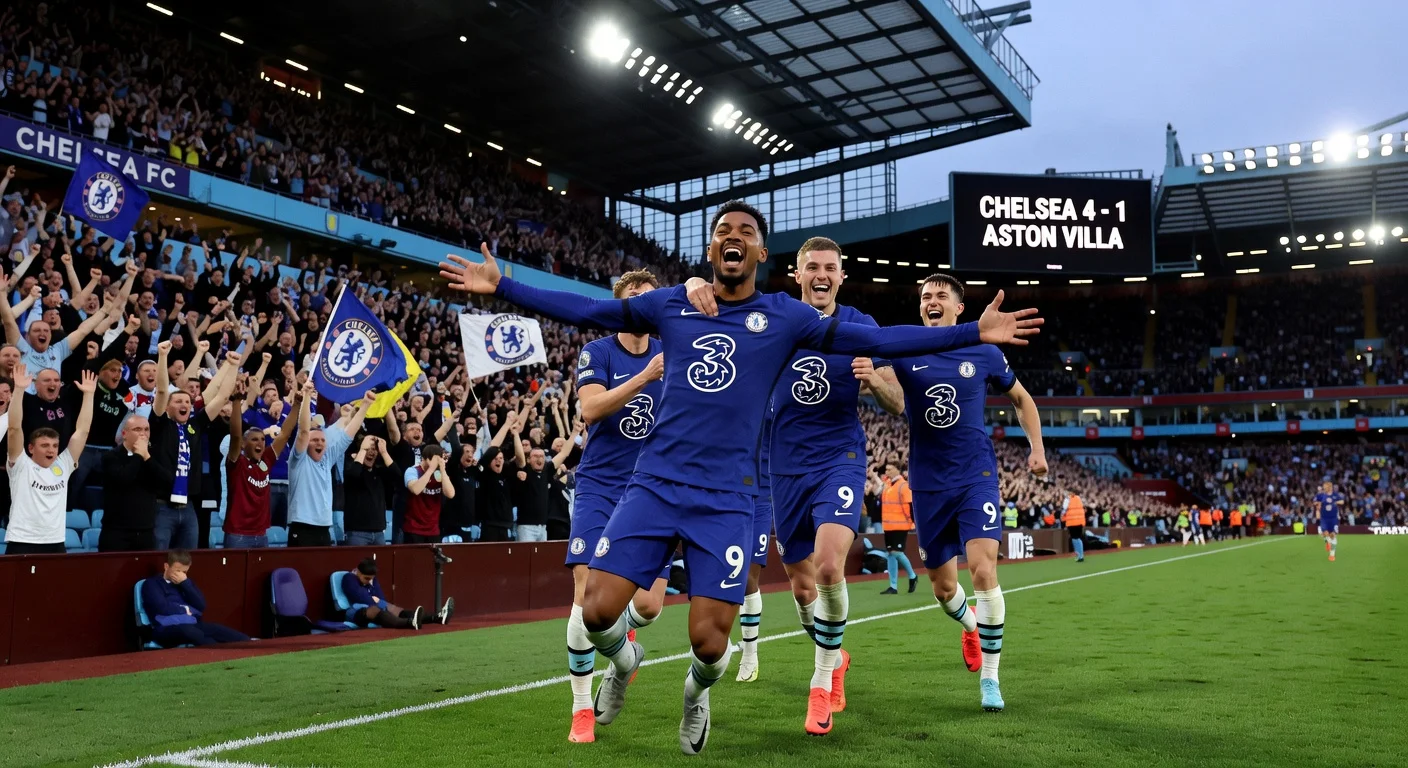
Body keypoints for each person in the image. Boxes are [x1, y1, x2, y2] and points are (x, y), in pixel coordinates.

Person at [439, 200, 1042, 754]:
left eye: (746, 233)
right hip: (655, 484)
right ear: (710, 251)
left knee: (709, 644)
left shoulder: (785, 318)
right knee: (596, 612)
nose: (734, 237)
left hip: (728, 496)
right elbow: (591, 309)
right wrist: (505, 287)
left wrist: (970, 333)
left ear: (761, 255)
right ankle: (624, 664)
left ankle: (696, 694)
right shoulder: (671, 302)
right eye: (723, 231)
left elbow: (879, 338)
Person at [685, 236, 903, 732]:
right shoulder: (776, 317)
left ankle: (821, 685)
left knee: (829, 568)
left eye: (831, 267)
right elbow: (716, 304)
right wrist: (696, 282)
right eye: (812, 268)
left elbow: (898, 404)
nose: (822, 275)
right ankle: (836, 656)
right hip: (781, 471)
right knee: (804, 591)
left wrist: (876, 381)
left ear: (841, 276)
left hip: (839, 460)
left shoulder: (861, 326)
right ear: (799, 275)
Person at [877, 272, 1048, 714]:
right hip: (928, 484)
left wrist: (1037, 448)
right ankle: (970, 626)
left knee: (984, 572)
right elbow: (892, 401)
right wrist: (874, 381)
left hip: (977, 476)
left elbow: (1022, 398)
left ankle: (990, 680)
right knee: (942, 586)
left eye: (940, 296)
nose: (930, 301)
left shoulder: (985, 351)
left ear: (959, 309)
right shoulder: (905, 347)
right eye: (924, 296)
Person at [562, 269, 671, 744]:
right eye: (635, 299)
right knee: (585, 596)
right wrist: (646, 377)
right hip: (601, 485)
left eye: (651, 299)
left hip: (650, 491)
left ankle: (624, 658)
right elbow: (589, 410)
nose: (644, 306)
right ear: (621, 305)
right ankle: (582, 708)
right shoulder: (599, 352)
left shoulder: (676, 354)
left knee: (648, 606)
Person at [150, 343, 241, 550]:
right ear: (167, 407)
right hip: (162, 507)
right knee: (158, 558)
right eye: (178, 401)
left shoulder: (195, 425)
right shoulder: (160, 425)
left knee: (187, 560)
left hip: (189, 506)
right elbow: (163, 390)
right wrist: (163, 356)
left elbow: (221, 396)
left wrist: (233, 366)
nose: (184, 404)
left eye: (187, 402)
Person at [6, 366, 96, 554]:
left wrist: (89, 395)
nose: (51, 450)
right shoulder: (20, 464)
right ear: (31, 448)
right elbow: (14, 428)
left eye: (54, 446)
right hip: (22, 541)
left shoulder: (63, 463)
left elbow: (82, 431)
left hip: (55, 542)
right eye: (45, 446)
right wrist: (19, 390)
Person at [287, 381, 372, 546]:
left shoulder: (327, 458)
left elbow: (349, 433)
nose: (320, 443)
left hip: (324, 528)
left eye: (322, 440)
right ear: (306, 444)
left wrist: (365, 405)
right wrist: (306, 396)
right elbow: (304, 431)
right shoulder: (299, 459)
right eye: (315, 440)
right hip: (301, 526)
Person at [224, 381, 298, 548]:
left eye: (263, 440)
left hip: (261, 535)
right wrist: (236, 401)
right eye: (254, 439)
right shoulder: (237, 462)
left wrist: (296, 406)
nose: (260, 443)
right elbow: (235, 435)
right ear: (244, 444)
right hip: (238, 535)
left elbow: (284, 434)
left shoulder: (266, 460)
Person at [141, 549, 251, 647]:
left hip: (192, 624)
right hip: (164, 629)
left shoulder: (185, 583)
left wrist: (185, 584)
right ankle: (220, 653)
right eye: (177, 570)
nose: (181, 575)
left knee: (220, 630)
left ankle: (251, 645)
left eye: (184, 572)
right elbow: (161, 608)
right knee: (191, 632)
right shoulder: (151, 584)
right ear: (166, 566)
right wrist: (185, 609)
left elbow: (201, 605)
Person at [98, 415, 172, 552]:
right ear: (124, 434)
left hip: (146, 532)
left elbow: (168, 483)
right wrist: (138, 455)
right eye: (137, 429)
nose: (143, 434)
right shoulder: (111, 457)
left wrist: (147, 457)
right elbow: (124, 478)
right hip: (116, 533)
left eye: (146, 429)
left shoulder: (151, 457)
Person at [340, 557, 452, 628]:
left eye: (371, 579)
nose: (368, 581)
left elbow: (380, 597)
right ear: (358, 572)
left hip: (372, 607)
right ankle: (409, 623)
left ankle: (437, 617)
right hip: (354, 611)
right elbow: (360, 597)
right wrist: (376, 600)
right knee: (376, 609)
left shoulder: (371, 580)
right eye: (366, 578)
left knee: (394, 609)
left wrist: (372, 587)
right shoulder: (349, 578)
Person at [343, 434, 398, 545]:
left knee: (381, 563)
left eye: (374, 449)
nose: (371, 452)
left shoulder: (379, 472)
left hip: (379, 533)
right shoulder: (350, 467)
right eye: (368, 449)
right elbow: (354, 474)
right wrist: (362, 449)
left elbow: (397, 475)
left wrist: (384, 452)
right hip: (357, 533)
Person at [403, 444, 456, 544]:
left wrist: (443, 471)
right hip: (414, 529)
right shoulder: (412, 471)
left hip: (433, 530)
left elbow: (450, 494)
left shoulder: (439, 473)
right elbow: (416, 489)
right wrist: (430, 469)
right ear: (425, 458)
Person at [879, 463, 916, 594]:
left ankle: (912, 576)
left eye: (890, 469)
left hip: (901, 525)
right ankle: (893, 586)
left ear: (897, 469)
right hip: (888, 525)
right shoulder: (888, 485)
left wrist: (912, 522)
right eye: (886, 469)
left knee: (896, 552)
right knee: (890, 553)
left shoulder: (903, 485)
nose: (887, 471)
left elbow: (910, 506)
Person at [1314, 481, 1344, 561]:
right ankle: (1328, 543)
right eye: (1324, 487)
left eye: (1325, 487)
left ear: (1330, 487)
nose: (1324, 488)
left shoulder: (1335, 495)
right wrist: (1318, 503)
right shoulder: (1321, 495)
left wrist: (1336, 501)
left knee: (1332, 535)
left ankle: (1332, 554)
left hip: (1334, 518)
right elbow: (1315, 502)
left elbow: (1342, 501)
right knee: (1325, 533)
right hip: (1324, 518)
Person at [1063, 491, 1087, 562]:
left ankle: (1079, 555)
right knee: (1078, 538)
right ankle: (1081, 555)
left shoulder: (1067, 499)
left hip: (1072, 521)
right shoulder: (1079, 499)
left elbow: (1064, 507)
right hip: (1079, 521)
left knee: (1074, 538)